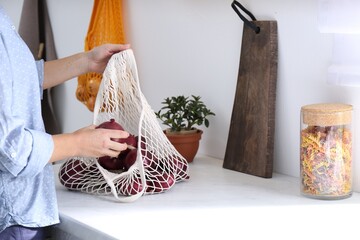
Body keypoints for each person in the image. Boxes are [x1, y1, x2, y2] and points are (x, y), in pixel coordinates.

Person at [0, 5, 131, 240]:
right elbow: (12, 149)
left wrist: (87, 61)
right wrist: (78, 143)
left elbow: (21, 78)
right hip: (12, 217)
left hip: (25, 210)